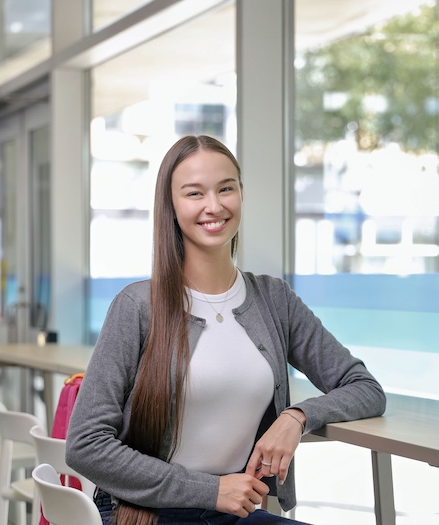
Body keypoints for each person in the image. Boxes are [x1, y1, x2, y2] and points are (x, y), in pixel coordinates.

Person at [66, 135, 387, 525]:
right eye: (194, 193)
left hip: (233, 512)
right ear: (170, 205)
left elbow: (365, 388)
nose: (214, 206)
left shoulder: (273, 299)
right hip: (146, 514)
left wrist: (296, 417)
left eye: (225, 189)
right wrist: (211, 490)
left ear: (241, 194)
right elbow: (85, 445)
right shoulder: (138, 306)